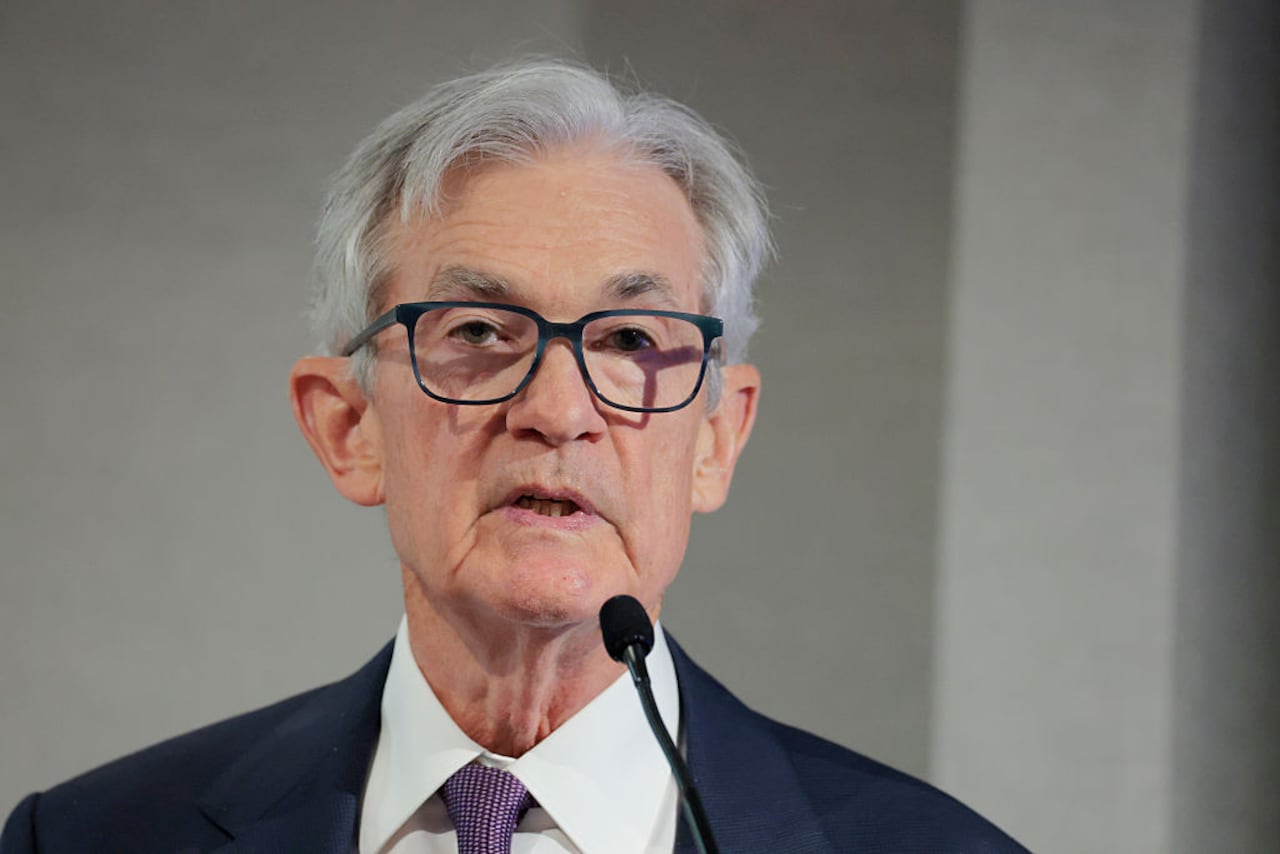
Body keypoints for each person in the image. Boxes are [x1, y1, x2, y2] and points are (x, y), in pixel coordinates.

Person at [1, 59, 1025, 853]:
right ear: (346, 426)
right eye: (480, 333)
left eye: (630, 341)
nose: (557, 408)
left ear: (714, 438)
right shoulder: (90, 835)